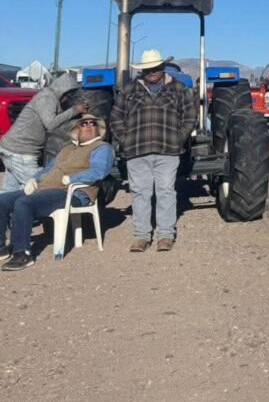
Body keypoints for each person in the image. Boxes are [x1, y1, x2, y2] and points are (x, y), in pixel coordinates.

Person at [0, 113, 114, 271]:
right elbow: (48, 169)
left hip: (72, 193)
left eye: (93, 123)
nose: (88, 125)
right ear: (76, 129)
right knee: (2, 201)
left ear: (99, 129)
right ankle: (1, 248)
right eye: (84, 123)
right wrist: (34, 179)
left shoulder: (102, 148)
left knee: (24, 203)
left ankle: (22, 254)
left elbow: (99, 171)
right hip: (45, 189)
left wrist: (72, 178)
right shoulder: (67, 149)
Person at [110, 49, 197, 253]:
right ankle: (142, 236)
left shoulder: (178, 88)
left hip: (168, 150)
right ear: (142, 71)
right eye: (147, 69)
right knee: (140, 193)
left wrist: (179, 138)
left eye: (155, 68)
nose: (151, 72)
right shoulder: (129, 90)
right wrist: (126, 140)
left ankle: (165, 235)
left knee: (166, 192)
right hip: (137, 152)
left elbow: (190, 116)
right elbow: (115, 118)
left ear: (162, 67)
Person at [0, 72, 88, 194]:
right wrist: (74, 110)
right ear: (63, 90)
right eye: (68, 95)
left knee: (9, 191)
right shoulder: (47, 98)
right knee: (38, 186)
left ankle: (5, 210)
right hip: (21, 151)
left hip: (12, 148)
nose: (68, 99)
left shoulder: (49, 97)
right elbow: (50, 123)